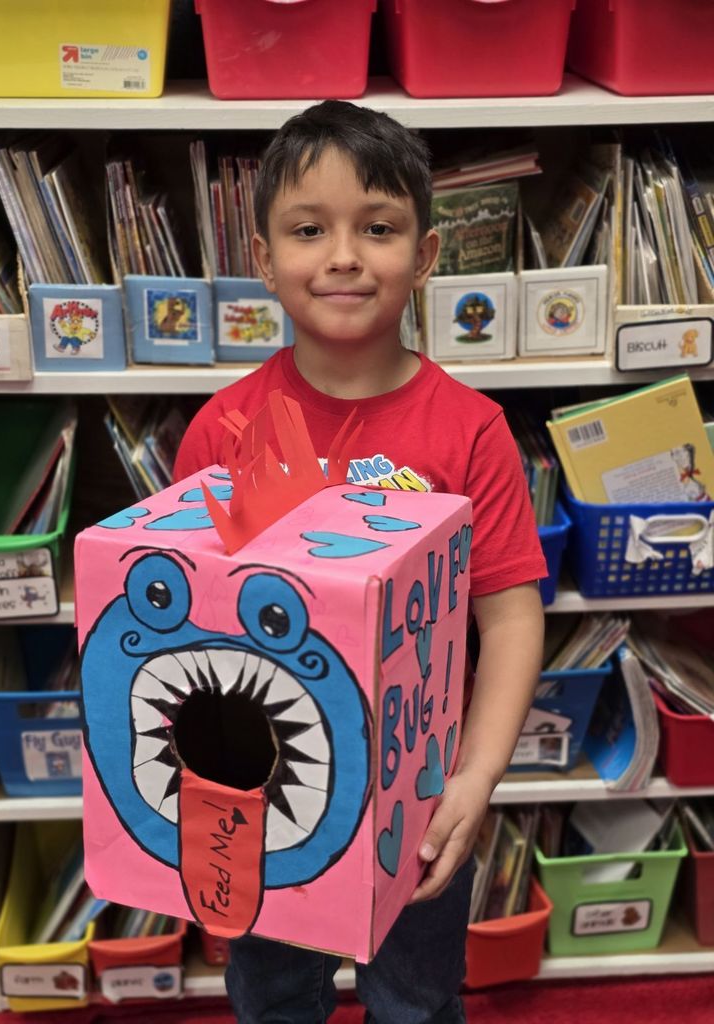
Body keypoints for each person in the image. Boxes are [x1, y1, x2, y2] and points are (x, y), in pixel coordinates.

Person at [174, 99, 547, 1024]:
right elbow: (182, 623)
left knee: (416, 1001)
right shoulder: (222, 430)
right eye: (309, 230)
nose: (343, 255)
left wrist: (475, 776)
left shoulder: (471, 430)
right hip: (265, 790)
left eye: (376, 229)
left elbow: (509, 617)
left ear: (423, 258)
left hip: (419, 799)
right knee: (268, 997)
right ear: (263, 258)